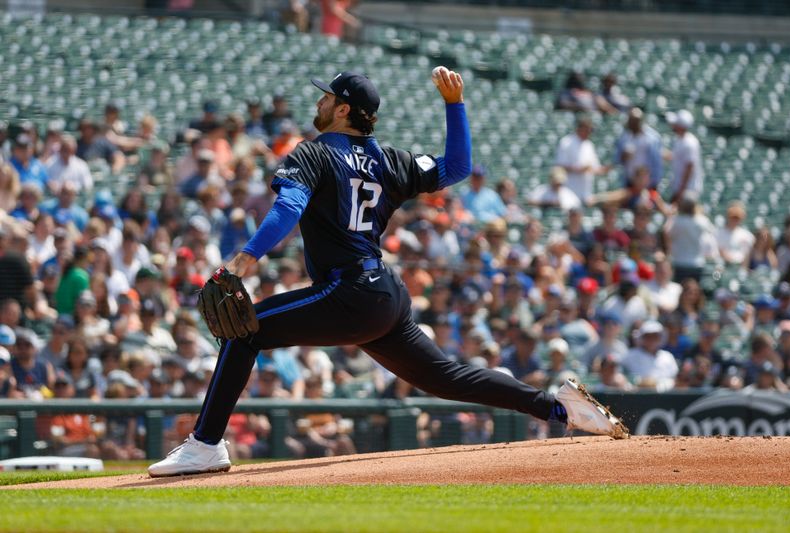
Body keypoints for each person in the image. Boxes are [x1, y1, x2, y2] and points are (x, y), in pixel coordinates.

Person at [148, 69, 626, 477]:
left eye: (327, 95)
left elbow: (289, 206)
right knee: (447, 377)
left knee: (244, 332)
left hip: (350, 292)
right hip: (384, 294)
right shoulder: (391, 160)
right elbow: (457, 166)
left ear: (342, 109)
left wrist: (244, 258)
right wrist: (454, 105)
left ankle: (206, 445)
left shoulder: (313, 152)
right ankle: (560, 408)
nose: (320, 101)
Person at [555, 116, 610, 204]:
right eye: (587, 129)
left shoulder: (589, 145)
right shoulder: (566, 142)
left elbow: (595, 168)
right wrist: (579, 169)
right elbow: (560, 167)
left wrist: (605, 169)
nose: (589, 132)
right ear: (580, 128)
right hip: (569, 191)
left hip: (586, 193)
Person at [613, 108, 662, 188]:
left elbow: (656, 164)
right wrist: (624, 156)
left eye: (634, 121)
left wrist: (654, 183)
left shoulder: (651, 138)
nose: (631, 123)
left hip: (647, 183)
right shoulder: (625, 137)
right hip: (629, 181)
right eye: (630, 120)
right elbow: (618, 159)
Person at [665, 109, 703, 204]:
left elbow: (690, 167)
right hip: (681, 188)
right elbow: (675, 157)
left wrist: (681, 191)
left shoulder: (689, 143)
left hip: (688, 190)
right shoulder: (680, 140)